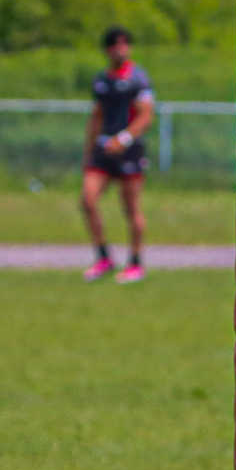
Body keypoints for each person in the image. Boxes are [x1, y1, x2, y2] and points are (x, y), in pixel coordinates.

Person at [81, 26, 155, 284]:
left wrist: (124, 139)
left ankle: (135, 262)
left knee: (131, 207)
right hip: (103, 149)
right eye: (114, 44)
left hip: (129, 150)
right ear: (107, 49)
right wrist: (88, 151)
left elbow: (146, 115)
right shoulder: (101, 80)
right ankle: (104, 257)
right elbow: (97, 116)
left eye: (124, 43)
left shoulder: (138, 79)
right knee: (87, 200)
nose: (120, 48)